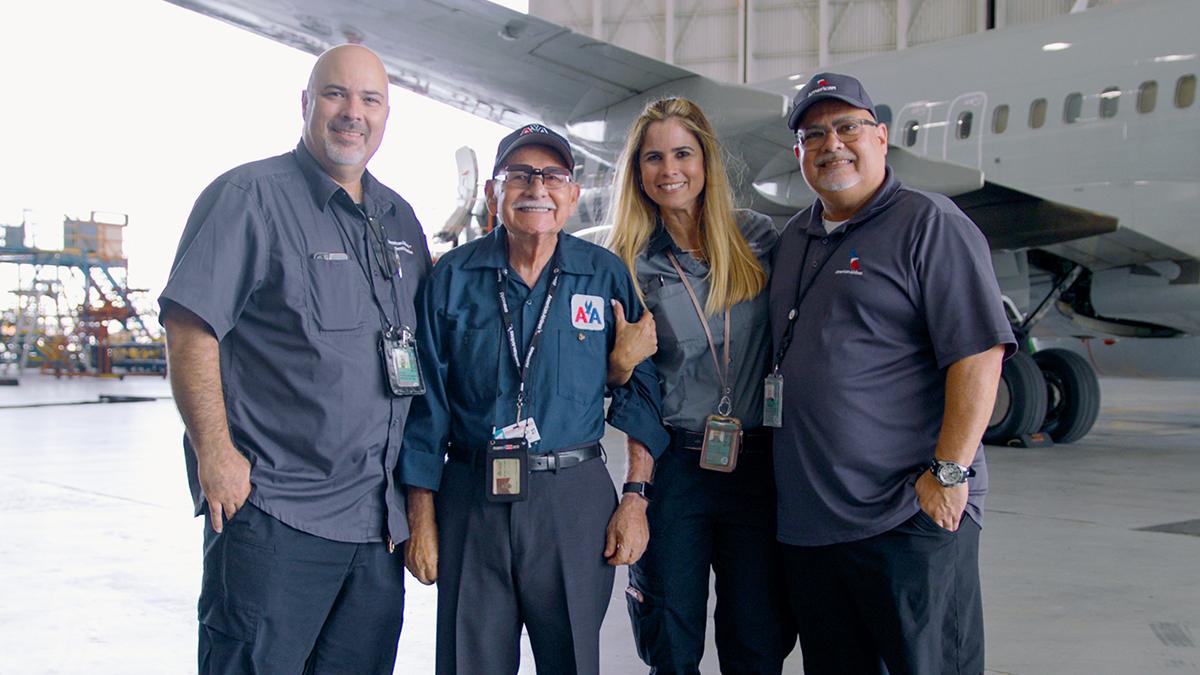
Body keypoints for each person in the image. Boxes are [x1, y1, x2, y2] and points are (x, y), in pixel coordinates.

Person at [159, 45, 430, 674]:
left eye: (370, 100)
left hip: (374, 528)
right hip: (277, 514)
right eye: (336, 94)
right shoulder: (249, 196)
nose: (352, 113)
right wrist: (216, 455)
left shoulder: (400, 220)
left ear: (386, 115)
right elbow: (189, 328)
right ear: (307, 104)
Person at [400, 123, 670, 675]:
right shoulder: (451, 279)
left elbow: (641, 388)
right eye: (518, 175)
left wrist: (636, 499)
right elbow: (424, 405)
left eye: (552, 176)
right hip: (471, 498)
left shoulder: (602, 276)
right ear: (492, 193)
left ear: (571, 195)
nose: (536, 188)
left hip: (571, 498)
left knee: (570, 659)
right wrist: (421, 517)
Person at [770, 72, 1016, 674]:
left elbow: (978, 354)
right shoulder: (795, 238)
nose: (833, 144)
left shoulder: (929, 222)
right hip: (816, 527)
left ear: (881, 136)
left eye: (848, 126)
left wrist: (950, 471)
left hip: (907, 516)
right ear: (798, 153)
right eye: (814, 134)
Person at [606, 97, 795, 674]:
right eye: (653, 158)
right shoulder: (629, 265)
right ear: (637, 173)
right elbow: (631, 386)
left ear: (707, 160)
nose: (670, 171)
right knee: (670, 638)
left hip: (760, 466)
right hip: (678, 470)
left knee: (759, 641)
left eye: (683, 153)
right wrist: (636, 493)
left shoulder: (760, 240)